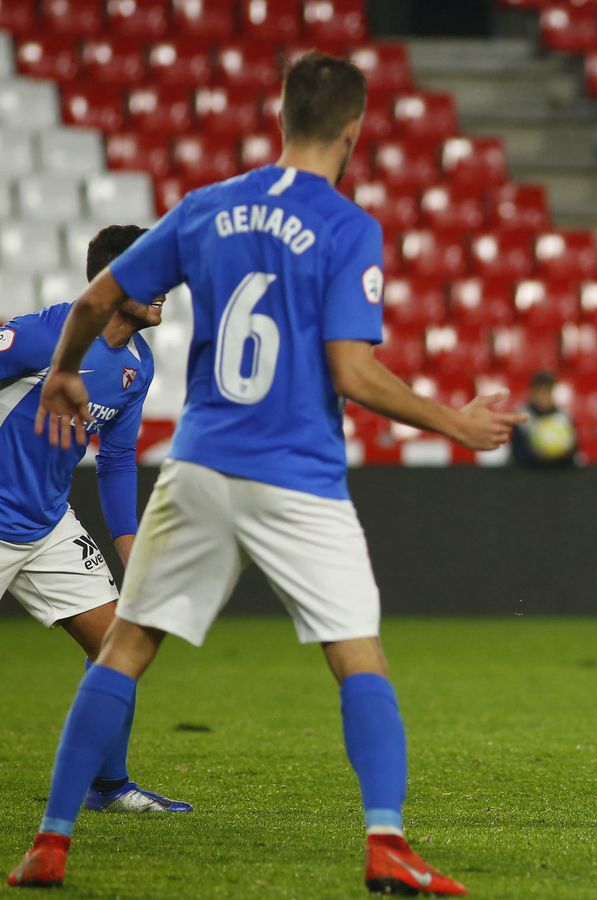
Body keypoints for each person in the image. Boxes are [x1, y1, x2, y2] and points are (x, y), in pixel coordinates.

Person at [10, 52, 523, 893]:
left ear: (281, 115)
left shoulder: (206, 206)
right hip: (298, 474)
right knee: (359, 658)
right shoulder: (348, 226)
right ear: (354, 131)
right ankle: (385, 841)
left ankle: (51, 843)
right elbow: (353, 373)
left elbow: (96, 297)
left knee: (126, 650)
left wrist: (65, 366)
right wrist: (454, 422)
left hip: (201, 462)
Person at [1, 225, 189, 815]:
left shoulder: (136, 363)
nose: (167, 287)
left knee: (118, 645)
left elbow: (115, 459)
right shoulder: (39, 336)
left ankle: (108, 786)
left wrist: (129, 541)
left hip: (48, 524)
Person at [509, 370, 578, 468]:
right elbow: (517, 452)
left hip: (559, 472)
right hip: (529, 472)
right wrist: (538, 456)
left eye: (548, 392)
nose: (544, 397)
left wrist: (562, 454)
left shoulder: (564, 417)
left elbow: (574, 447)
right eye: (540, 392)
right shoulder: (522, 417)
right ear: (531, 393)